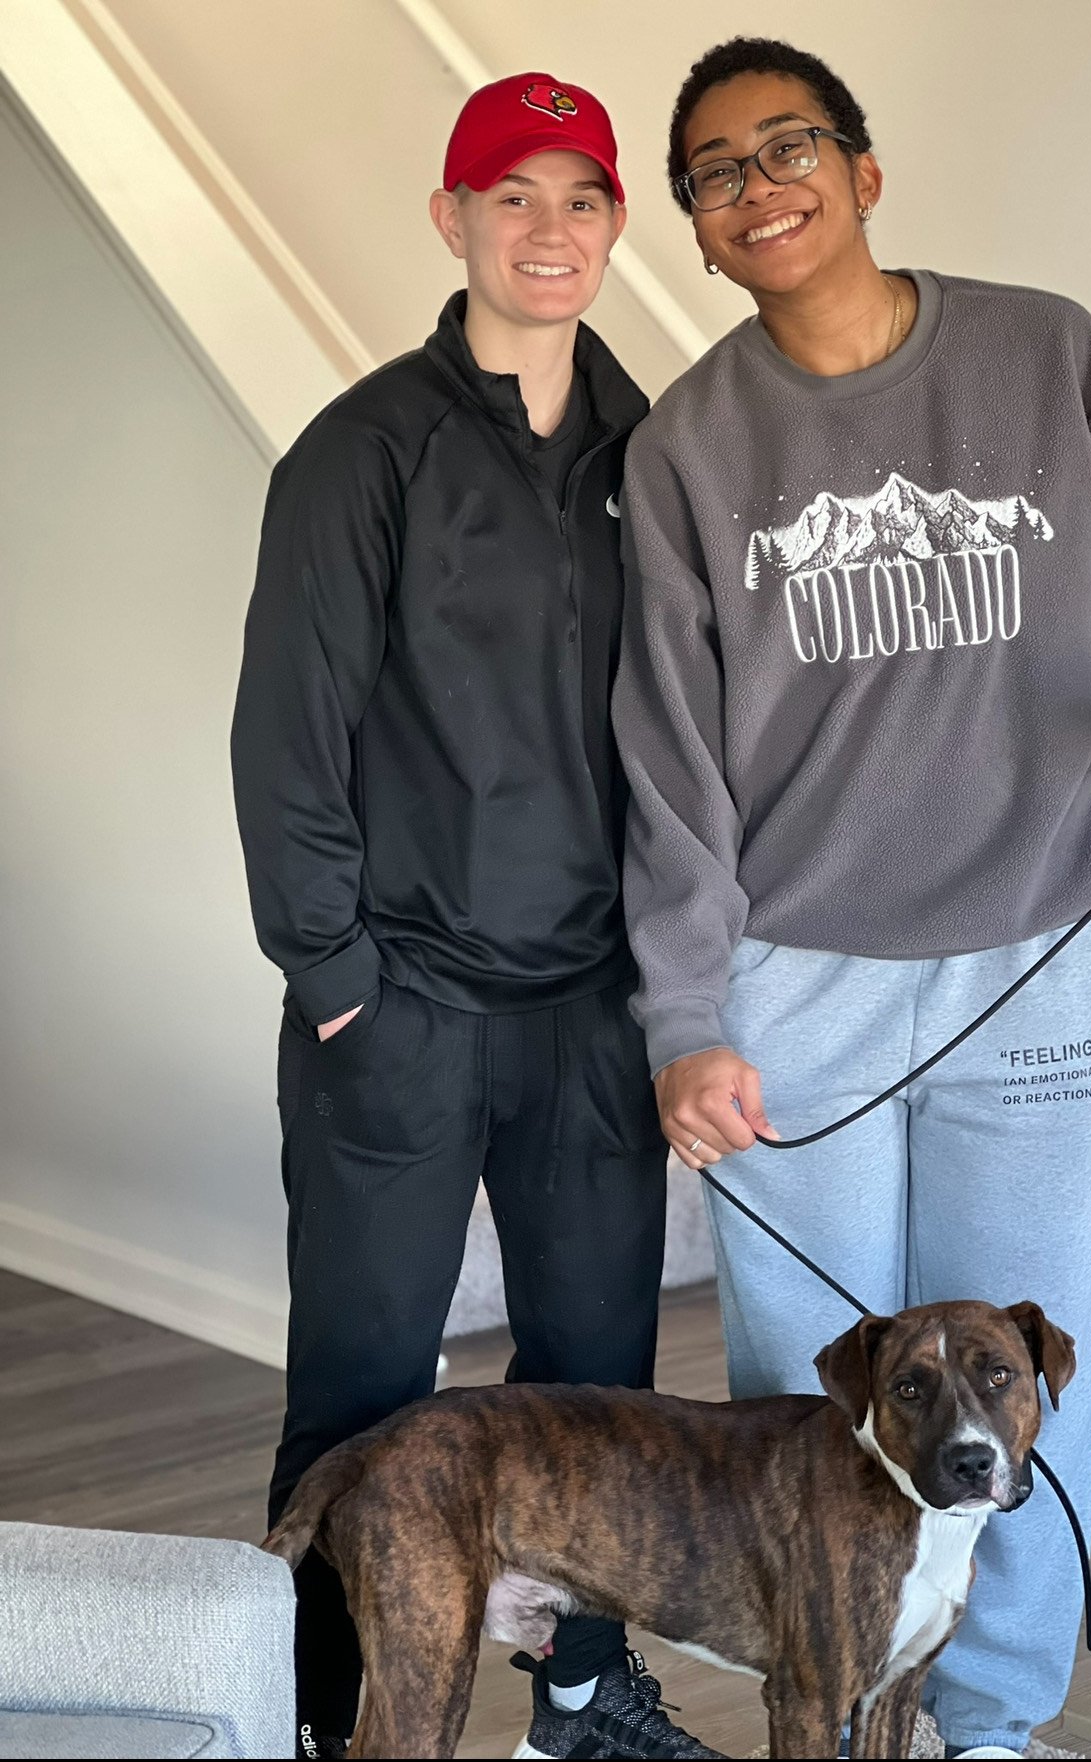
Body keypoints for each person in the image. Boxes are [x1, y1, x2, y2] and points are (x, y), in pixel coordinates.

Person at [612, 35, 1091, 1762]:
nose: (758, 184)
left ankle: (990, 1724)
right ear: (698, 229)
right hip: (802, 980)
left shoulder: (1045, 349)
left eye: (791, 147)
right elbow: (672, 757)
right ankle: (846, 1713)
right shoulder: (689, 447)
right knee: (826, 1404)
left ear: (862, 170)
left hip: (1045, 956)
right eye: (716, 170)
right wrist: (686, 1017)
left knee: (1019, 1390)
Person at [233, 73, 718, 1762]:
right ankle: (310, 1706)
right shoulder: (363, 452)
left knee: (600, 1399)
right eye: (510, 194)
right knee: (365, 1394)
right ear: (450, 219)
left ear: (613, 228)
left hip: (595, 1008)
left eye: (581, 196)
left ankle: (579, 1698)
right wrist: (338, 979)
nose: (548, 228)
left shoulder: (657, 450)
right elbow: (287, 739)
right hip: (405, 1011)